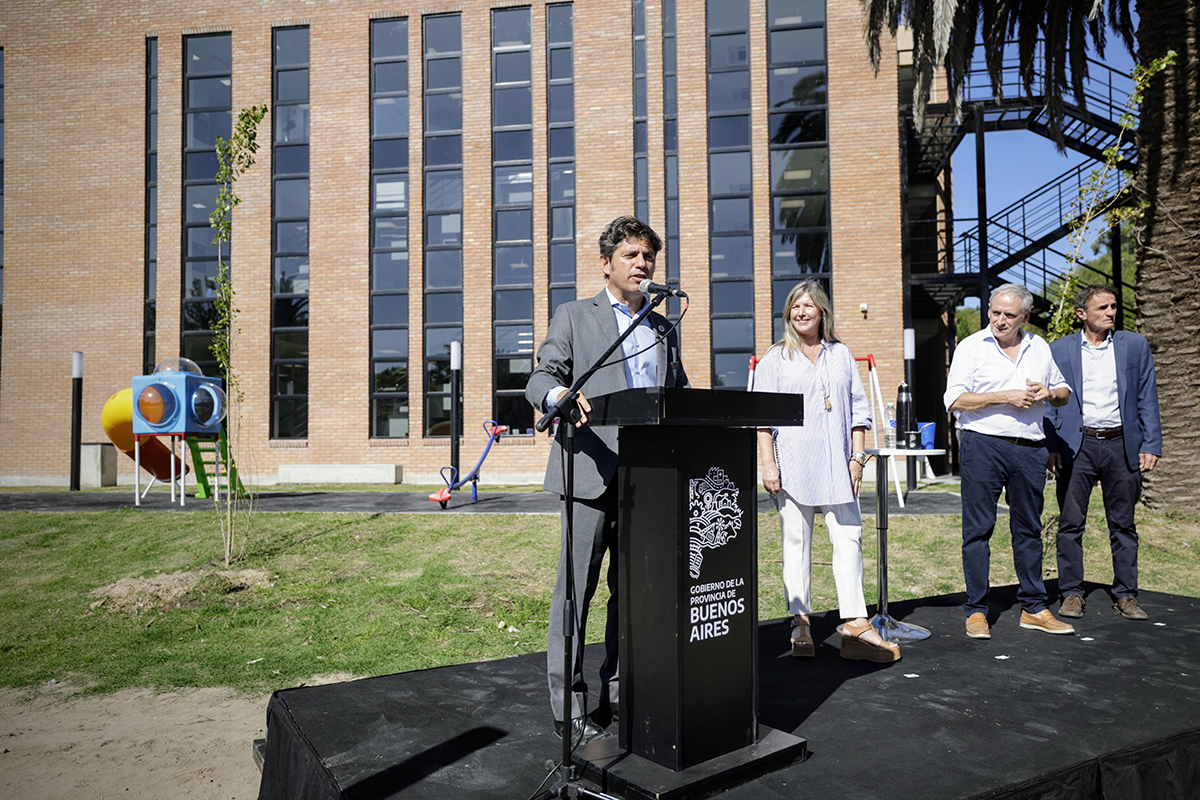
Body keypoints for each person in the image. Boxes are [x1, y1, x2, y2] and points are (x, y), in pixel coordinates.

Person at [525, 215, 688, 745]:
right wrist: (557, 398)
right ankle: (568, 707)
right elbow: (543, 375)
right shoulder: (576, 315)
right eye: (632, 256)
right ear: (607, 264)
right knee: (577, 592)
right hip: (592, 470)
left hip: (650, 480)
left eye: (649, 257)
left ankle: (621, 694)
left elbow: (677, 392)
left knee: (636, 596)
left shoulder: (663, 325)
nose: (643, 265)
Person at [754, 281, 900, 663]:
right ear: (788, 314)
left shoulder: (842, 355)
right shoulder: (775, 358)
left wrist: (857, 459)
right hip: (792, 467)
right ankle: (800, 624)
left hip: (839, 465)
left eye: (809, 306)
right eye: (795, 307)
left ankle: (855, 621)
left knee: (850, 539)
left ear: (822, 312)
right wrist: (767, 465)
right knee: (796, 545)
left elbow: (858, 412)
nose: (802, 312)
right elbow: (762, 421)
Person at [944, 283, 1073, 640]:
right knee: (978, 530)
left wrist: (1049, 394)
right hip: (983, 445)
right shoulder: (971, 347)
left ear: (1025, 317)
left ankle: (1034, 606)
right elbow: (954, 400)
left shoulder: (1039, 347)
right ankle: (977, 610)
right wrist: (1005, 397)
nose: (1000, 320)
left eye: (1009, 315)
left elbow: (1063, 392)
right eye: (995, 312)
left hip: (1030, 447)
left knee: (1029, 529)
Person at [1045, 284, 1161, 621]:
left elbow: (1146, 398)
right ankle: (1071, 593)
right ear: (1082, 313)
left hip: (1121, 444)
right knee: (1070, 524)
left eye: (1113, 306)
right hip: (1075, 448)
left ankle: (1126, 594)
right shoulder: (1059, 350)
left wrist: (1151, 444)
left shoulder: (1134, 346)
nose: (1111, 312)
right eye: (1102, 308)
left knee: (1123, 525)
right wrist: (1051, 447)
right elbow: (1051, 404)